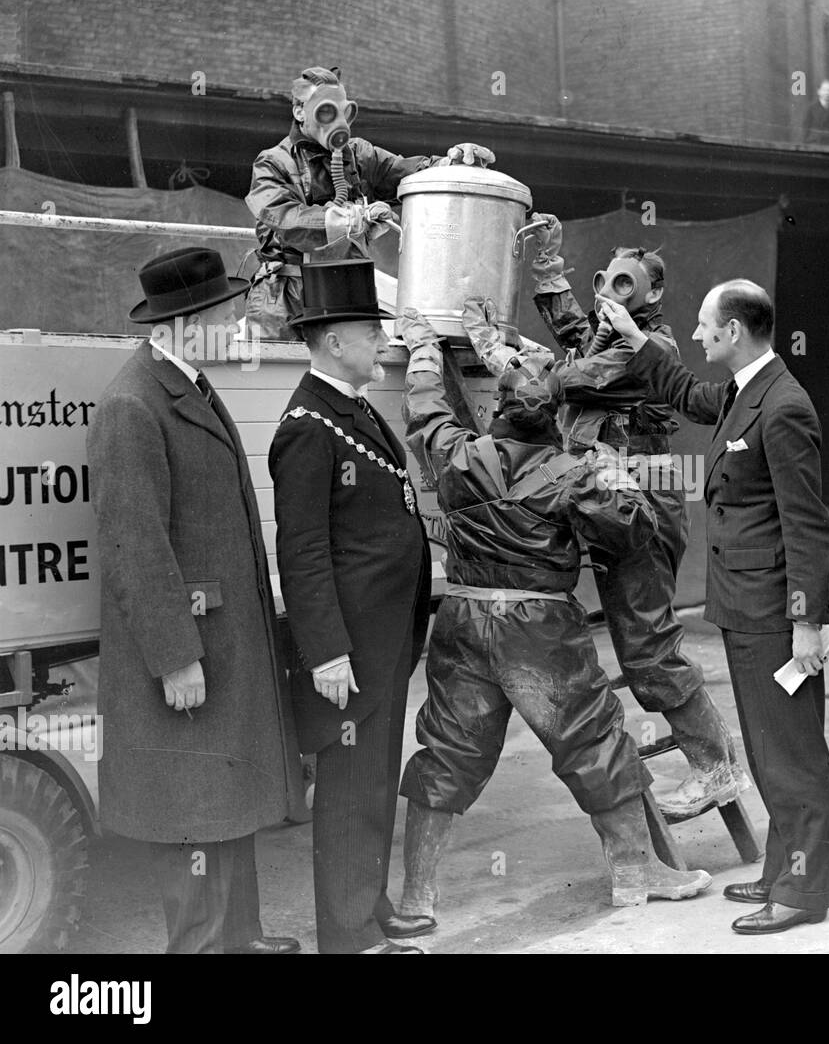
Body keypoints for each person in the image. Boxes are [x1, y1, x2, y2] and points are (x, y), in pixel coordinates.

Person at [393, 307, 712, 919]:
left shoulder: (456, 456)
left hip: (461, 621)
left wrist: (425, 347)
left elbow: (427, 409)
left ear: (496, 412)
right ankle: (637, 876)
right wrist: (614, 474)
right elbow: (634, 534)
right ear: (556, 420)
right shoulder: (574, 472)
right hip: (540, 629)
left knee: (448, 752)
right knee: (594, 742)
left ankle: (416, 899)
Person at [459, 214, 747, 819]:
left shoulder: (654, 346)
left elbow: (562, 381)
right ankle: (696, 762)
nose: (612, 294)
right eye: (607, 283)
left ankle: (716, 768)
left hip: (642, 490)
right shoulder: (610, 334)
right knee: (633, 641)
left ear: (654, 295)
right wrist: (546, 264)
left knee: (648, 650)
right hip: (617, 487)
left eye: (627, 285)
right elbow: (574, 334)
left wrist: (494, 350)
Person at [88, 247, 304, 955]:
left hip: (223, 644)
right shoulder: (133, 403)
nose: (240, 326)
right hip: (188, 655)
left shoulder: (189, 386)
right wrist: (176, 657)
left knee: (226, 801)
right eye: (229, 315)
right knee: (193, 818)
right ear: (189, 322)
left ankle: (242, 939)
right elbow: (133, 546)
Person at [607, 279, 829, 936]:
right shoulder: (745, 391)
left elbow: (807, 524)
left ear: (734, 331)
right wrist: (633, 339)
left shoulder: (783, 406)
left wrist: (805, 622)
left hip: (774, 613)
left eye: (707, 326)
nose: (699, 335)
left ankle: (804, 888)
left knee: (791, 753)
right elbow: (686, 393)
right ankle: (781, 868)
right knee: (768, 751)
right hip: (746, 606)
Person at [268, 259, 433, 954]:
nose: (381, 341)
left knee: (371, 781)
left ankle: (368, 902)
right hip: (351, 649)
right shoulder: (309, 424)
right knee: (346, 792)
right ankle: (348, 934)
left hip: (383, 639)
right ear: (334, 339)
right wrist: (327, 650)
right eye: (371, 329)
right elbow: (302, 552)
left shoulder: (353, 409)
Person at [245, 65, 496, 340]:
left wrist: (454, 163)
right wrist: (352, 220)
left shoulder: (359, 155)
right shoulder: (272, 162)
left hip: (345, 292)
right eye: (326, 110)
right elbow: (286, 218)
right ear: (300, 111)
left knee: (351, 377)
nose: (337, 122)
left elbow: (406, 171)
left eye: (343, 111)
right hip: (286, 298)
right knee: (279, 377)